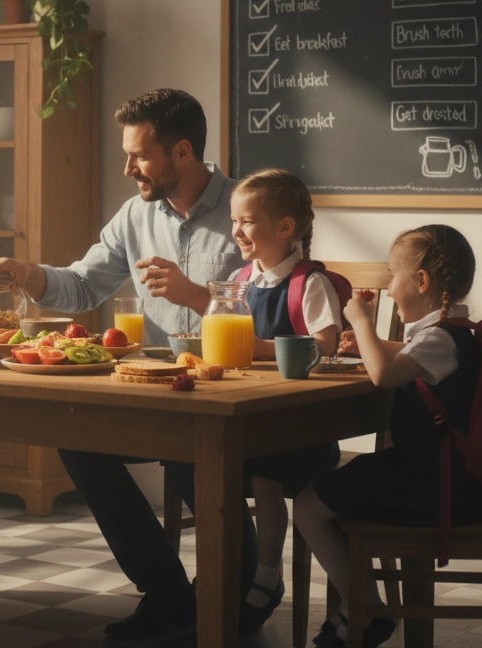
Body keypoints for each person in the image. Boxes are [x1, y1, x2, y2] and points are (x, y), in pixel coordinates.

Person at [0, 88, 263, 639]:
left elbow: (277, 304)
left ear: (182, 152)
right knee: (79, 441)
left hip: (227, 393)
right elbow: (84, 283)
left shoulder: (245, 210)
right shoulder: (135, 215)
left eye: (139, 154)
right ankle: (166, 592)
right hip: (153, 388)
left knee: (195, 457)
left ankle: (229, 596)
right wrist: (29, 272)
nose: (128, 166)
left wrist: (198, 296)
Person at [292, 224, 482, 648]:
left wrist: (362, 323)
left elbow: (387, 376)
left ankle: (364, 608)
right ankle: (364, 608)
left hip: (436, 485)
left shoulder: (440, 340)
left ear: (421, 282)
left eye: (392, 276)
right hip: (433, 475)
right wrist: (369, 343)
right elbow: (408, 356)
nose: (388, 287)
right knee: (336, 487)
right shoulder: (449, 334)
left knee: (308, 505)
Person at [165, 168, 343, 622]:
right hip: (245, 416)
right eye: (233, 220)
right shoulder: (242, 280)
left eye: (246, 221)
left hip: (298, 425)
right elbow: (221, 340)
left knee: (266, 471)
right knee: (192, 458)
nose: (235, 231)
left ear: (285, 228)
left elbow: (326, 344)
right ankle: (224, 577)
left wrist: (259, 349)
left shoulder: (308, 283)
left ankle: (265, 575)